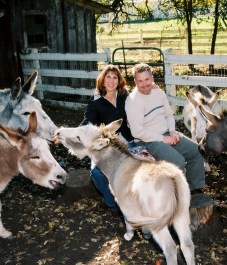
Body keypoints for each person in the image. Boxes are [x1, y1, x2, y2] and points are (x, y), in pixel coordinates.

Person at [125, 63, 214, 207]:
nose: (145, 85)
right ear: (135, 81)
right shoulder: (133, 101)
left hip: (166, 133)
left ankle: (194, 189)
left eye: (147, 80)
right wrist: (163, 138)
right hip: (148, 140)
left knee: (197, 151)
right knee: (177, 161)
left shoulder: (158, 93)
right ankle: (177, 200)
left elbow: (169, 115)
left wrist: (172, 131)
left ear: (152, 78)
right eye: (140, 81)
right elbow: (137, 132)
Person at [77, 65, 134, 218]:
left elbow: (139, 100)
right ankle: (111, 201)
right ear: (102, 80)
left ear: (119, 81)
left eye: (115, 77)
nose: (111, 80)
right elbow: (88, 120)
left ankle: (124, 201)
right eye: (108, 76)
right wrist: (76, 134)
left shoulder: (123, 94)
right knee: (96, 172)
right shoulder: (96, 100)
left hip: (127, 141)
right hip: (106, 144)